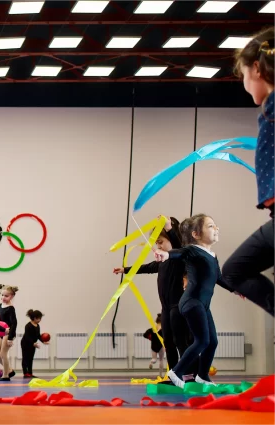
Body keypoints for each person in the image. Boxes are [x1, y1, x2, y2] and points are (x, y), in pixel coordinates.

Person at [222, 28, 275, 317]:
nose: (243, 83)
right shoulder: (269, 109)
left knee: (234, 272)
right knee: (233, 271)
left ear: (256, 68)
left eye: (242, 74)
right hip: (273, 220)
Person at [155, 214, 239, 388]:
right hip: (191, 302)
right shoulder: (193, 250)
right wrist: (166, 255)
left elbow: (219, 278)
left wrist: (236, 289)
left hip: (203, 304)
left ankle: (202, 376)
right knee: (201, 341)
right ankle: (176, 372)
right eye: (210, 226)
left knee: (212, 341)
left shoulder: (212, 256)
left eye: (215, 226)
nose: (216, 229)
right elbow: (179, 252)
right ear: (196, 234)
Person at [114, 216, 194, 376]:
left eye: (161, 242)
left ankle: (190, 375)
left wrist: (169, 228)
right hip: (165, 308)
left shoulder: (179, 258)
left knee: (181, 343)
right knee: (169, 344)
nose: (158, 246)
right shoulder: (162, 261)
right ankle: (173, 376)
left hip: (178, 307)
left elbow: (178, 245)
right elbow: (148, 267)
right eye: (156, 243)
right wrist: (126, 269)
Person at [0, 284, 18, 381]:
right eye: (2, 295)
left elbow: (14, 324)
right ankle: (10, 370)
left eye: (6, 296)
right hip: (2, 333)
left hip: (8, 333)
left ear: (11, 296)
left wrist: (10, 338)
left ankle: (6, 375)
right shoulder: (0, 306)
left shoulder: (11, 308)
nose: (3, 297)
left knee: (3, 354)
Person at [20, 309, 48, 378]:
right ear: (35, 318)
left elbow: (38, 335)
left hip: (33, 344)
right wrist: (33, 343)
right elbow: (27, 336)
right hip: (25, 343)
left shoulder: (37, 326)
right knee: (25, 358)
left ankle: (30, 373)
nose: (40, 320)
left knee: (30, 358)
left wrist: (43, 341)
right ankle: (25, 373)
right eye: (39, 318)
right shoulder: (28, 326)